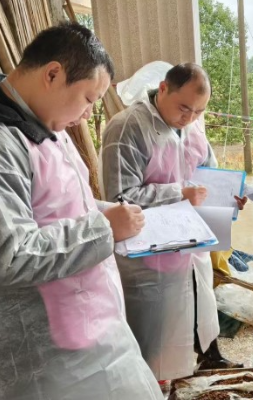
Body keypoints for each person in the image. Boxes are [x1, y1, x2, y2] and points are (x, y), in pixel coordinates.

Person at [0, 23, 162, 400]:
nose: (88, 114)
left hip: (89, 326)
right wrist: (104, 229)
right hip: (50, 355)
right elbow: (10, 252)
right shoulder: (5, 142)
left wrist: (111, 212)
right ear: (53, 74)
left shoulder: (43, 125)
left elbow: (62, 206)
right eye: (89, 98)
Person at [100, 63, 242, 384]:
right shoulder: (126, 127)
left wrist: (231, 193)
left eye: (199, 111)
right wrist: (178, 192)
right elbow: (120, 195)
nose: (190, 118)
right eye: (184, 108)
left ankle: (209, 356)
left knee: (199, 302)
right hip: (150, 252)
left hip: (192, 239)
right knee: (155, 329)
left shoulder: (191, 125)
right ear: (163, 88)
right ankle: (154, 383)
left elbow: (208, 169)